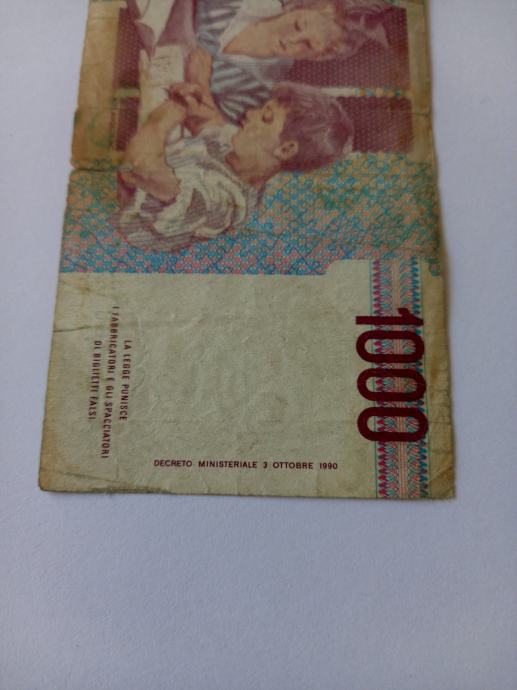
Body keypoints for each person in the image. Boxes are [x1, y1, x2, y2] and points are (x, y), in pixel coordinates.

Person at [118, 82, 354, 252]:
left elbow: (138, 169)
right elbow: (207, 121)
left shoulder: (222, 201)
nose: (249, 114)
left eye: (266, 118)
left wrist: (166, 114)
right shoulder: (238, 151)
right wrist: (190, 98)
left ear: (285, 150)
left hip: (112, 216)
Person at [188, 0, 392, 124]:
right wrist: (204, 49)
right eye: (298, 25)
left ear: (318, 57)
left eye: (308, 45)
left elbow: (207, 121)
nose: (291, 40)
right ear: (301, 7)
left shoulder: (261, 92)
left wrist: (201, 84)